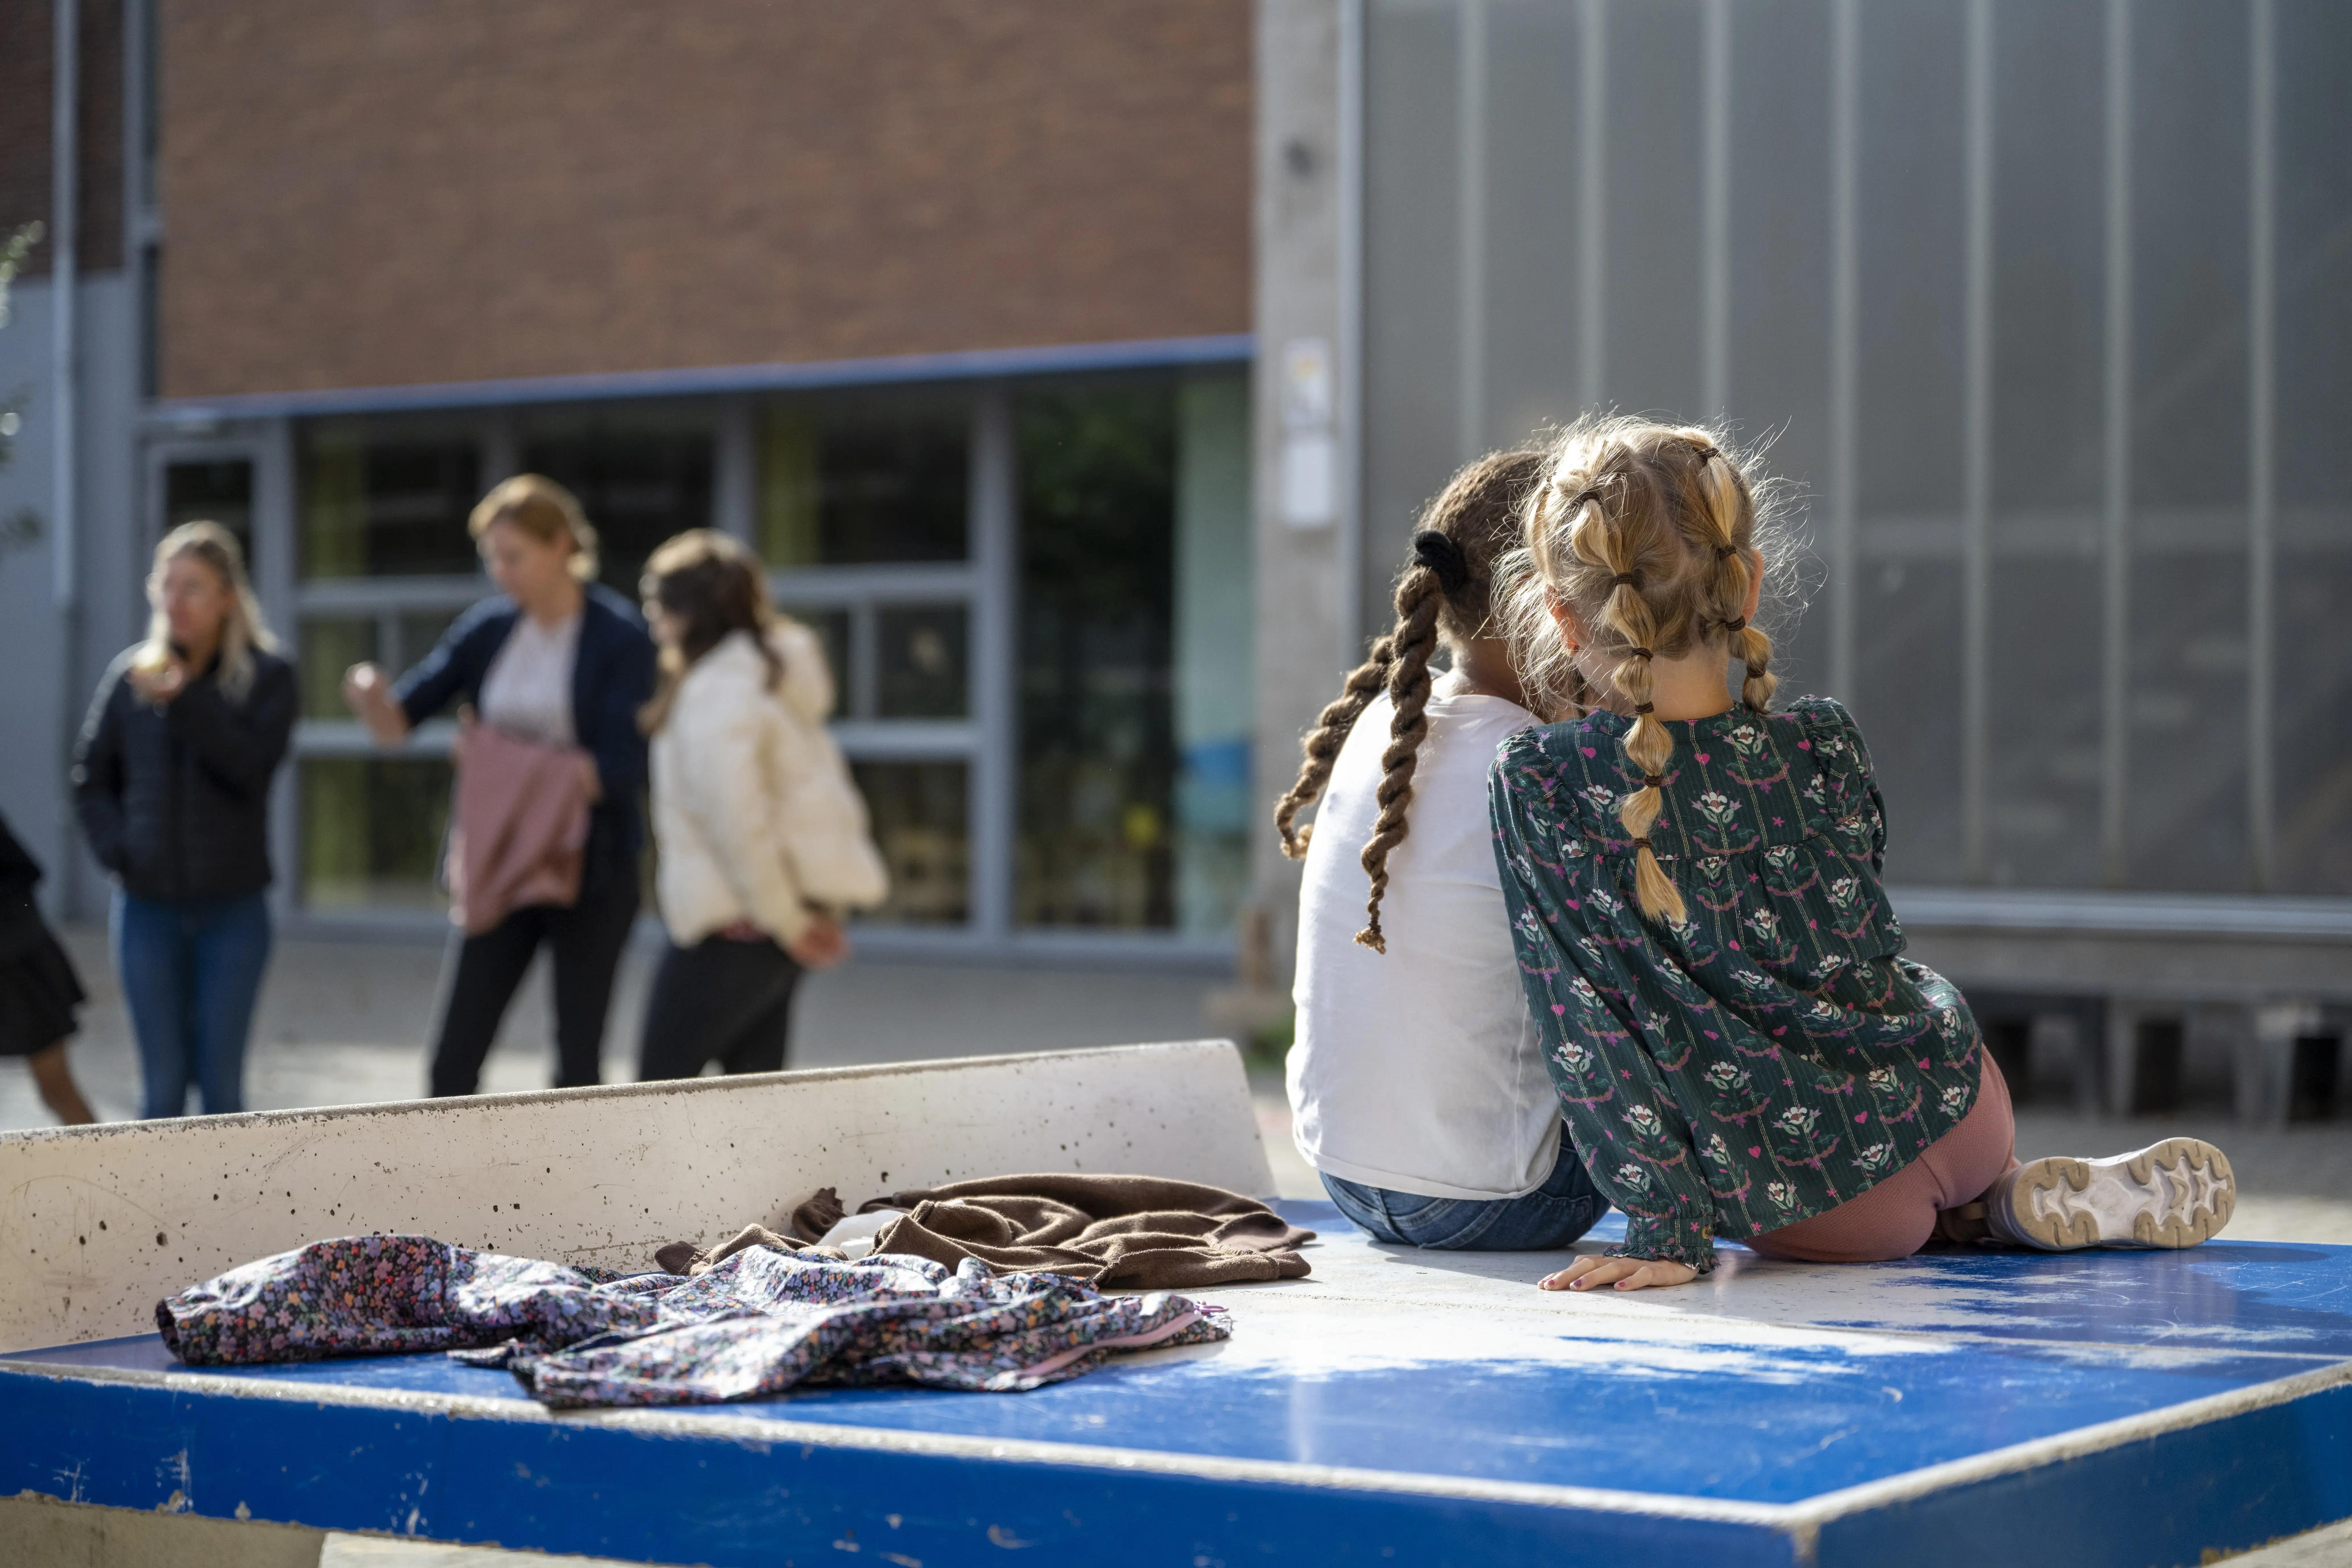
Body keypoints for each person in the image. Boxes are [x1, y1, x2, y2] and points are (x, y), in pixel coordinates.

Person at [1489, 416, 2236, 1292]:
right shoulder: (1822, 740)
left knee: (1869, 1207)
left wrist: (1666, 1225)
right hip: (1958, 1096)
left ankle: (1970, 1214)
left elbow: (1587, 1021)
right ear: (1747, 583)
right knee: (1932, 1165)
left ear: (1560, 618)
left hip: (1809, 1180)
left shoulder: (1545, 780)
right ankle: (1988, 1202)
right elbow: (1846, 949)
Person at [1274, 450, 1610, 1252]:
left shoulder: (1380, 730)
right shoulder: (1536, 763)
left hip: (1345, 1176)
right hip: (1510, 1200)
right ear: (1555, 610)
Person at [341, 475, 656, 1096]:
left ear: (563, 544)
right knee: (453, 1058)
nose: (501, 572)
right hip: (499, 861)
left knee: (577, 1062)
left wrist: (494, 759)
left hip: (590, 870)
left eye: (514, 555)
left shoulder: (621, 638)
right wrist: (370, 695)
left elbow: (617, 771)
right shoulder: (485, 629)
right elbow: (397, 726)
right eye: (492, 557)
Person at [633, 530, 886, 1079]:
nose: (652, 623)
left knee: (651, 1099)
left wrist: (789, 922)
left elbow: (738, 822)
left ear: (686, 612)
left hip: (739, 927)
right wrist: (793, 921)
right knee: (756, 1105)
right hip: (771, 923)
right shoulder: (761, 677)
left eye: (656, 606)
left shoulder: (718, 689)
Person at [73, 521, 296, 1118]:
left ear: (227, 595)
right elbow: (89, 777)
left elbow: (251, 770)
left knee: (221, 1091)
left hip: (235, 910)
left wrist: (188, 700)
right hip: (147, 909)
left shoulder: (270, 677)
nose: (176, 601)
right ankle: (162, 1215)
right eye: (166, 585)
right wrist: (120, 851)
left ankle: (229, 1213)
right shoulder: (130, 678)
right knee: (162, 1091)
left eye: (192, 586)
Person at [0, 809, 97, 1124]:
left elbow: (24, 872)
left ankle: (105, 1171)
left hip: (16, 956)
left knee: (56, 1090)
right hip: (18, 946)